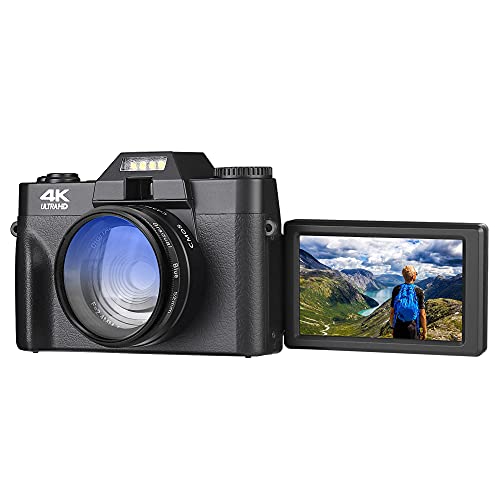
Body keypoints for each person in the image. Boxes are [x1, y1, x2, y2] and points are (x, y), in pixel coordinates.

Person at [389, 265, 427, 340]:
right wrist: (424, 331)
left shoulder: (397, 289)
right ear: (413, 276)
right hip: (413, 328)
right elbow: (422, 314)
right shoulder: (418, 291)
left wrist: (392, 327)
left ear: (404, 276)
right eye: (416, 273)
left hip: (398, 328)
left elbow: (392, 312)